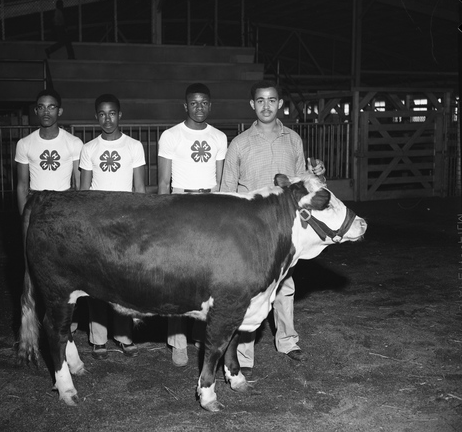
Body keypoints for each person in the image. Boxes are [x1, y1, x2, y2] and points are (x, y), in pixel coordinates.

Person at [220, 80, 326, 375]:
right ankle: (243, 354)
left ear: (280, 104)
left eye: (272, 100)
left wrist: (317, 173)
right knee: (249, 291)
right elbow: (227, 190)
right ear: (252, 105)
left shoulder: (293, 140)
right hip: (250, 229)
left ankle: (288, 340)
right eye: (260, 101)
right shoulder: (239, 143)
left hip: (282, 226)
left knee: (285, 285)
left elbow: (301, 182)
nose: (266, 106)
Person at [157, 83, 227, 366]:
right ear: (185, 105)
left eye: (204, 102)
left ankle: (202, 335)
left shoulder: (220, 137)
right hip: (180, 206)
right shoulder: (170, 135)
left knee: (209, 277)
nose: (199, 107)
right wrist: (163, 217)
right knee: (179, 278)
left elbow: (222, 182)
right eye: (193, 103)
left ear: (210, 105)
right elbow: (163, 182)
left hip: (210, 206)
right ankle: (177, 341)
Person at [79, 93, 146, 360]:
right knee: (96, 282)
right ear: (97, 117)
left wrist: (140, 222)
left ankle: (124, 335)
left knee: (123, 281)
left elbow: (139, 188)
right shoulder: (89, 148)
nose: (108, 118)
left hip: (125, 222)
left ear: (120, 115)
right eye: (102, 114)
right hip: (97, 223)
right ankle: (98, 338)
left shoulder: (134, 146)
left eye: (113, 113)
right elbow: (84, 190)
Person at [15, 88, 83, 214]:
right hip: (36, 205)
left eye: (51, 107)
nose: (46, 112)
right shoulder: (24, 143)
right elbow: (22, 186)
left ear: (60, 111)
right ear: (36, 111)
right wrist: (23, 217)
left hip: (64, 205)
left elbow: (79, 184)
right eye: (41, 107)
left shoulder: (74, 143)